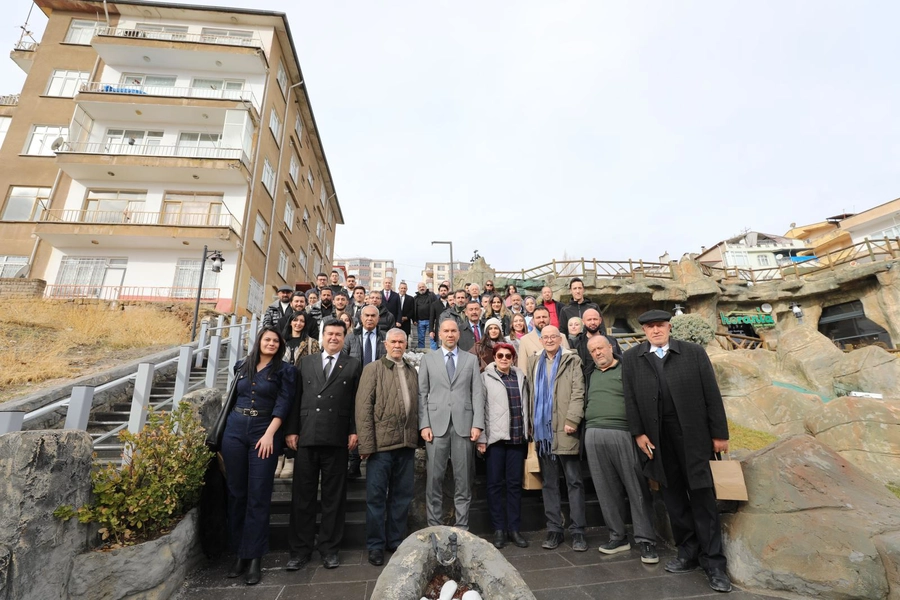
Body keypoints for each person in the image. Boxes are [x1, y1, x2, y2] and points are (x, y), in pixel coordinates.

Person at [622, 310, 732, 593]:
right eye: (650, 327)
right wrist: (638, 433)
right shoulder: (632, 358)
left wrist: (719, 434)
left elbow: (711, 393)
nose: (655, 330)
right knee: (673, 498)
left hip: (694, 436)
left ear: (669, 327)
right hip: (658, 439)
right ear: (644, 331)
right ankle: (688, 553)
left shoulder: (693, 353)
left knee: (702, 496)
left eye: (660, 325)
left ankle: (714, 563)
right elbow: (630, 399)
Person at [285, 319, 362, 571]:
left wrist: (354, 431)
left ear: (344, 337)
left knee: (334, 498)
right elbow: (296, 398)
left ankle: (329, 549)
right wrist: (292, 430)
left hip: (337, 437)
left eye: (338, 334)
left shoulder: (353, 364)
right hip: (307, 435)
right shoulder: (306, 362)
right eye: (329, 334)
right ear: (322, 336)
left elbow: (356, 402)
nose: (333, 338)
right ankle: (300, 550)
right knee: (302, 497)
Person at [220, 327, 296, 585]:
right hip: (234, 431)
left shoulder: (285, 371)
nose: (271, 343)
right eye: (267, 339)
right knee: (236, 493)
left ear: (280, 345)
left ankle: (254, 556)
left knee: (259, 495)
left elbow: (283, 404)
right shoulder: (242, 365)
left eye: (275, 341)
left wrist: (269, 434)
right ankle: (239, 553)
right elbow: (234, 398)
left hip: (264, 432)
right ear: (259, 341)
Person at [583, 335, 658, 563]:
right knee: (605, 489)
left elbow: (641, 400)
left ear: (611, 347)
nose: (597, 353)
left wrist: (640, 432)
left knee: (636, 487)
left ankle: (646, 540)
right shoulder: (589, 373)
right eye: (593, 350)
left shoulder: (627, 369)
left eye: (600, 348)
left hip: (624, 432)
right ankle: (617, 536)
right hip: (593, 434)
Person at [355, 328, 419, 566]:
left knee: (402, 497)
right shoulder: (373, 369)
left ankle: (396, 541)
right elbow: (363, 408)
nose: (397, 345)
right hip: (381, 447)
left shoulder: (411, 371)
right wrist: (366, 444)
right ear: (385, 344)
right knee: (376, 498)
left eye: (401, 342)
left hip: (406, 444)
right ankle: (375, 545)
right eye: (394, 341)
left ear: (406, 344)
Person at [418, 318, 485, 530]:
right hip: (435, 427)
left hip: (464, 425)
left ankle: (462, 527)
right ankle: (434, 527)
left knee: (463, 480)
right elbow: (422, 394)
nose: (450, 334)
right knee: (434, 480)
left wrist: (477, 424)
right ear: (439, 334)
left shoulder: (470, 360)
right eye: (446, 331)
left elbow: (477, 394)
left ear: (459, 334)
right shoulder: (428, 359)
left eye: (453, 331)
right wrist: (424, 425)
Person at [526, 325, 587, 552]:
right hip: (543, 434)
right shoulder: (534, 361)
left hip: (566, 428)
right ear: (541, 340)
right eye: (546, 337)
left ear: (560, 339)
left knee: (574, 481)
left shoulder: (573, 360)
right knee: (549, 483)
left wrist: (573, 419)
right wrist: (531, 423)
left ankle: (578, 531)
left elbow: (578, 392)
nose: (550, 340)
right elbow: (531, 393)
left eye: (554, 336)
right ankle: (554, 529)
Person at [478, 342, 530, 549]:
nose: (504, 359)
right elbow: (480, 407)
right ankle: (499, 529)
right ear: (494, 357)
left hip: (517, 437)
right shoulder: (485, 377)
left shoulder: (520, 376)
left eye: (508, 356)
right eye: (500, 355)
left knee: (514, 485)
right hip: (495, 439)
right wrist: (481, 438)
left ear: (513, 358)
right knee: (494, 485)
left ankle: (514, 529)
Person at [278, 312, 320, 480]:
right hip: (280, 385)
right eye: (295, 320)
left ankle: (290, 457)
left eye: (302, 321)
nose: (298, 323)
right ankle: (279, 456)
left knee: (295, 419)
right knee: (279, 417)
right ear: (290, 322)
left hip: (301, 385)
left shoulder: (311, 343)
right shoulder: (280, 341)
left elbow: (316, 365)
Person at [517, 305, 569, 373]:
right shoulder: (525, 340)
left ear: (549, 318)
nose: (541, 320)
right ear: (533, 320)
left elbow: (569, 363)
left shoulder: (562, 337)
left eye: (544, 317)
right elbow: (522, 369)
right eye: (538, 317)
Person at [428, 283, 452, 350]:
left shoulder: (451, 303)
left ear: (447, 291)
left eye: (444, 290)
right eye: (441, 291)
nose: (443, 292)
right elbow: (431, 318)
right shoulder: (434, 304)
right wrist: (431, 331)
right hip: (439, 329)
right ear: (439, 292)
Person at [414, 282, 435, 349]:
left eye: (423, 287)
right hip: (420, 321)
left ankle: (434, 353)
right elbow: (414, 309)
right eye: (420, 287)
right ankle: (421, 352)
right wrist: (414, 319)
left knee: (432, 338)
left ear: (426, 287)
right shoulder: (415, 298)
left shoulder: (431, 295)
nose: (421, 288)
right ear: (418, 289)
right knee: (420, 339)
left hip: (430, 321)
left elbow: (436, 305)